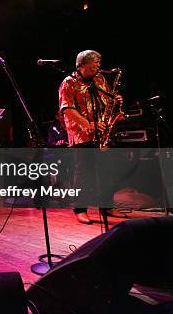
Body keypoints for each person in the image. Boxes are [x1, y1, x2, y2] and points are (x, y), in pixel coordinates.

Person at [58, 50, 126, 224]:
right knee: (83, 174)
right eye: (95, 62)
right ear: (83, 64)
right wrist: (88, 125)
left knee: (107, 171)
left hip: (102, 132)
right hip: (82, 135)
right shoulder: (69, 82)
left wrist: (115, 100)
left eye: (99, 62)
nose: (98, 66)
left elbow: (107, 100)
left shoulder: (100, 79)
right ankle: (80, 209)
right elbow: (67, 109)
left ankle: (107, 206)